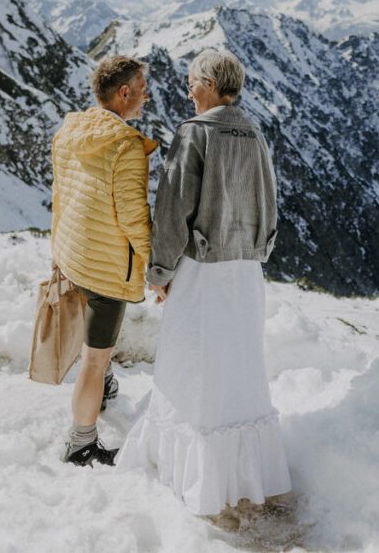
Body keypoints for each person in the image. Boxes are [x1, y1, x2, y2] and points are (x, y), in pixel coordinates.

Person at [116, 48, 291, 515]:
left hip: (203, 271)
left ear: (211, 85)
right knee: (238, 367)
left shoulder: (195, 133)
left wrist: (160, 271)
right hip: (246, 271)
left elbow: (173, 208)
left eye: (192, 80)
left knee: (190, 368)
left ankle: (193, 475)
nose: (188, 88)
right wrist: (257, 250)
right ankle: (242, 474)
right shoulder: (255, 133)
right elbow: (270, 202)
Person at [50, 54, 156, 466]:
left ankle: (105, 387)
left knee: (96, 350)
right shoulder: (125, 145)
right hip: (105, 268)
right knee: (94, 359)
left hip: (74, 253)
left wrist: (58, 251)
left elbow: (60, 193)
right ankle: (81, 443)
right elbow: (133, 217)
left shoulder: (70, 130)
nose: (146, 97)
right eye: (143, 89)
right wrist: (155, 266)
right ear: (124, 92)